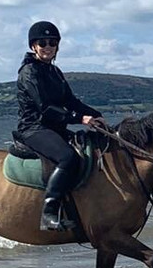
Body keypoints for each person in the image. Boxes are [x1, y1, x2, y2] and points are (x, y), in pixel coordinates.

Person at [16, 21, 104, 230]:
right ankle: (49, 212)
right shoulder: (29, 72)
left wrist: (96, 115)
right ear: (33, 46)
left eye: (52, 43)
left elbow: (71, 101)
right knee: (67, 157)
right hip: (33, 128)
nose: (48, 47)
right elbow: (46, 108)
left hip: (54, 128)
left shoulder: (55, 72)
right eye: (43, 43)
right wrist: (80, 119)